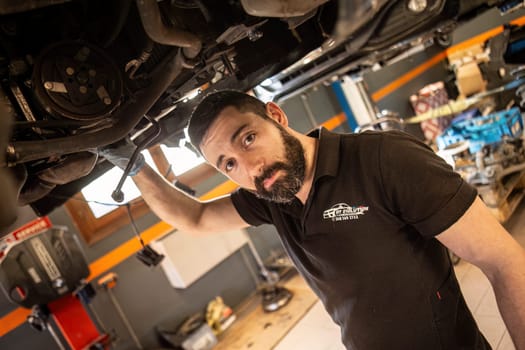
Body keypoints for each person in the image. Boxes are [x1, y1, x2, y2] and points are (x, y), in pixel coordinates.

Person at [103, 90, 525, 350]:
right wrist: (136, 165)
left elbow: (504, 264)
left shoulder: (384, 159)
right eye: (228, 163)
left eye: (248, 138)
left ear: (277, 115)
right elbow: (194, 217)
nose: (250, 167)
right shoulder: (271, 196)